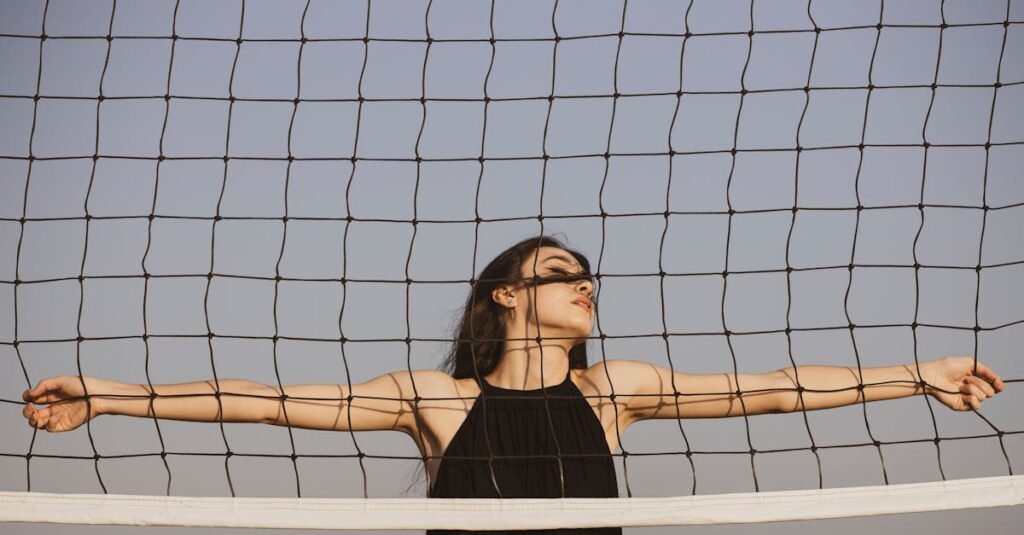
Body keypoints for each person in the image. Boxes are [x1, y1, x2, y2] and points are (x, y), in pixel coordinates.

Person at [21, 235, 1005, 535]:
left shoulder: (615, 388)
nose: (585, 285)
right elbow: (265, 400)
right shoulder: (436, 399)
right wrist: (112, 393)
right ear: (508, 293)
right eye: (562, 273)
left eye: (588, 275)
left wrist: (920, 374)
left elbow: (777, 388)